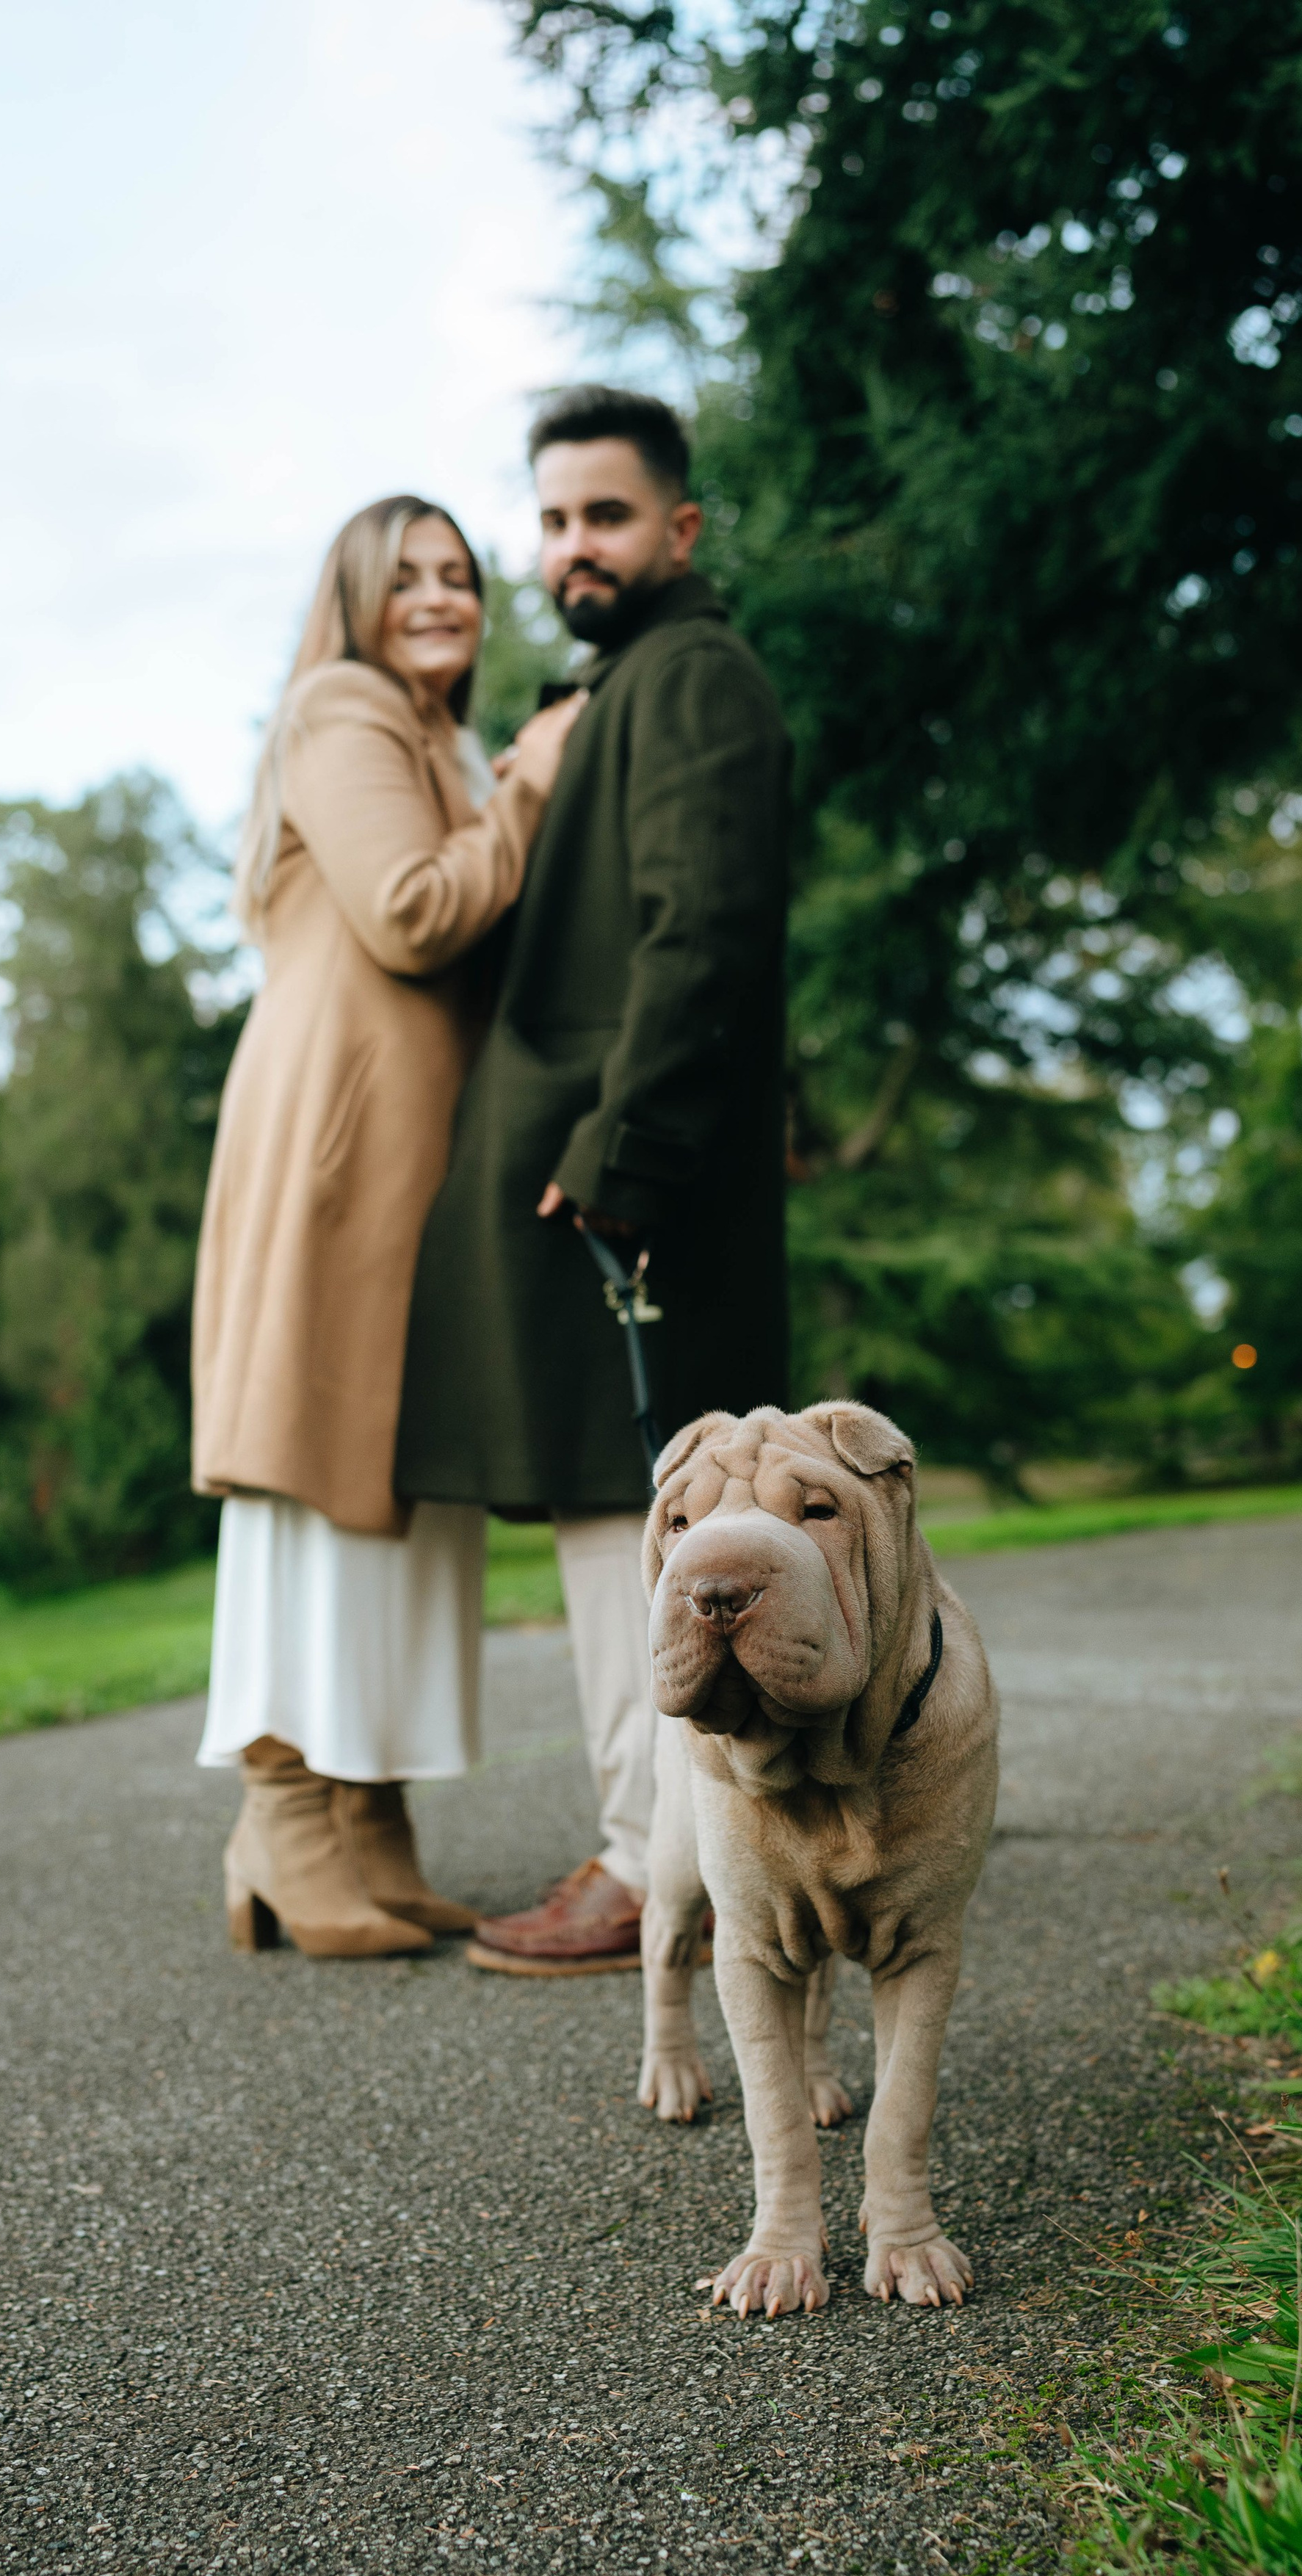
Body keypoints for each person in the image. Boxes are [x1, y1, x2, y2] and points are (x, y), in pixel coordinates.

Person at [396, 388, 792, 1974]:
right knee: (614, 1519)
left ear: (677, 529)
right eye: (555, 520)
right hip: (594, 1176)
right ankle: (673, 1861)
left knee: (636, 1524)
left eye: (606, 516)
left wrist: (622, 1155)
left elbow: (703, 931)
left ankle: (651, 1874)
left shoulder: (692, 679)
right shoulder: (623, 685)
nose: (575, 547)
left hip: (623, 1186)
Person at [191, 496, 584, 1958]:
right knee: (316, 1468)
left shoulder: (444, 739)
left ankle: (369, 1815)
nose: (438, 597)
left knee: (400, 1483)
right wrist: (531, 784)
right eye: (404, 575)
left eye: (458, 575)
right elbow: (414, 911)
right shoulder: (345, 707)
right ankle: (281, 1815)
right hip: (341, 1136)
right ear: (353, 600)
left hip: (420, 1151)